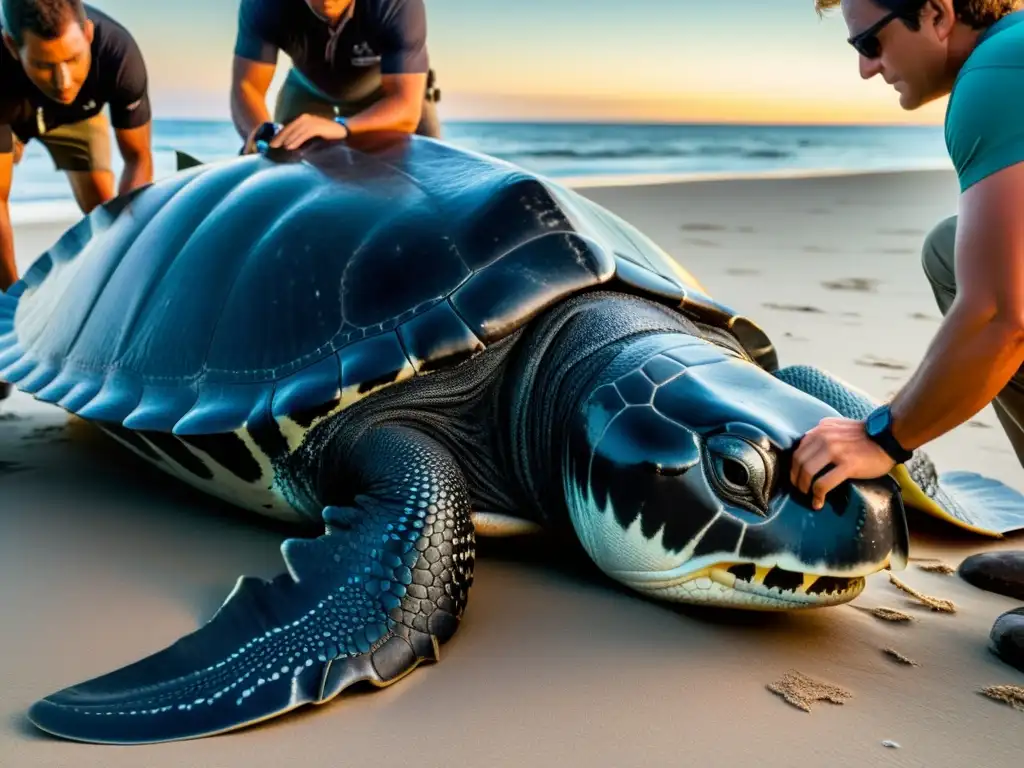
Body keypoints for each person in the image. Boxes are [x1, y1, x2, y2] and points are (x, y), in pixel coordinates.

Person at [791, 0, 1024, 510]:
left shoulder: (995, 78)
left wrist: (882, 438)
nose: (866, 69)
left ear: (938, 15)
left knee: (986, 285)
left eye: (869, 43)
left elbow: (1002, 318)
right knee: (952, 248)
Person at [0, 0, 153, 404]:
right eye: (46, 64)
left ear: (87, 35)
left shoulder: (118, 54)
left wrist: (128, 256)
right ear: (13, 48)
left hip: (76, 119)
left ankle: (107, 327)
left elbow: (138, 158)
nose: (64, 79)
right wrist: (11, 323)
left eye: (72, 58)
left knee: (107, 219)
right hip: (7, 112)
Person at [230, 0, 441, 155]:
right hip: (307, 88)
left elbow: (406, 105)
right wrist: (259, 135)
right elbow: (248, 86)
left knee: (430, 170)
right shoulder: (263, 4)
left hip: (386, 95)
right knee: (275, 153)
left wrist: (342, 127)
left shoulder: (396, 3)